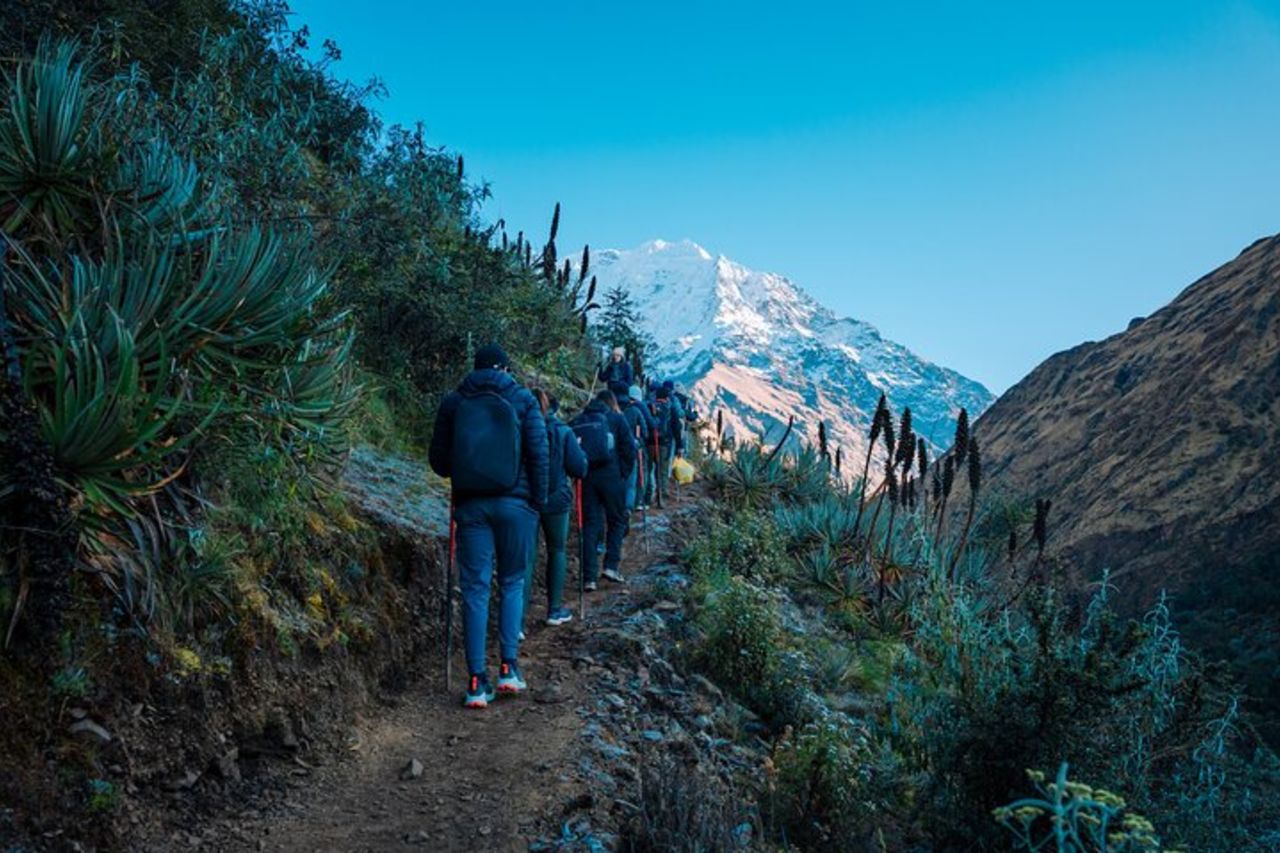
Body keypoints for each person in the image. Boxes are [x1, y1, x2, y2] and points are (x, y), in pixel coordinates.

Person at [429, 344, 548, 709]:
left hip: (470, 506)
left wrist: (467, 471)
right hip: (517, 505)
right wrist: (536, 502)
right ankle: (509, 668)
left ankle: (476, 682)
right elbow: (539, 453)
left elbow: (438, 461)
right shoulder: (524, 399)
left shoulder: (454, 401)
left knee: (475, 589)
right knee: (512, 581)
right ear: (506, 368)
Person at [528, 389, 587, 627]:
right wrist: (580, 451)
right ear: (554, 407)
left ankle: (517, 621)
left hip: (527, 499)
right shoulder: (563, 431)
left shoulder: (522, 427)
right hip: (556, 499)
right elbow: (579, 469)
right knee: (557, 550)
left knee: (526, 557)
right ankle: (553, 609)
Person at [571, 389, 636, 586]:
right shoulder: (616, 419)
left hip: (587, 478)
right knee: (617, 521)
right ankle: (611, 566)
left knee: (590, 525)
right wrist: (623, 473)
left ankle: (588, 578)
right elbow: (629, 449)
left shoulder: (579, 420)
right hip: (612, 477)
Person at [609, 381, 654, 513]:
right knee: (631, 482)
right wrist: (638, 441)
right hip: (632, 449)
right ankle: (628, 509)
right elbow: (645, 432)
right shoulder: (635, 411)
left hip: (613, 453)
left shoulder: (610, 411)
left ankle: (615, 508)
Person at [647, 385, 684, 508]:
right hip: (664, 444)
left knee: (648, 470)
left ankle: (647, 497)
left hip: (648, 444)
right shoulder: (670, 408)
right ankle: (661, 497)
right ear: (667, 397)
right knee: (662, 471)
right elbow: (676, 427)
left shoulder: (649, 407)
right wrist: (680, 445)